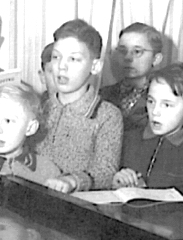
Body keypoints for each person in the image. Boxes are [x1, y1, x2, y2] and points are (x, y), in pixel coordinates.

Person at [36, 19, 123, 193]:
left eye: (74, 59)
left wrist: (73, 181)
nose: (62, 66)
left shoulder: (107, 115)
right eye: (56, 57)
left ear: (95, 66)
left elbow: (106, 171)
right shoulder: (38, 107)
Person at [112, 63, 183, 189]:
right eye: (151, 101)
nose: (155, 111)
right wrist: (115, 183)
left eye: (166, 105)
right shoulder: (126, 141)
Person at [100, 22, 164, 137]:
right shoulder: (103, 95)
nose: (128, 58)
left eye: (137, 51)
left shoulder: (164, 100)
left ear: (156, 59)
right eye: (123, 51)